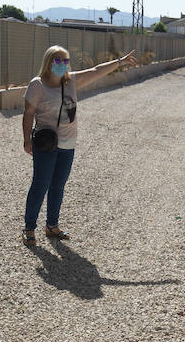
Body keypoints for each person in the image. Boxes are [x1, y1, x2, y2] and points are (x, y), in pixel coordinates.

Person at [20, 44, 135, 246]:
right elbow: (28, 113)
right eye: (58, 61)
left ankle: (52, 226)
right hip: (46, 144)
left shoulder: (71, 80)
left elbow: (96, 71)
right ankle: (29, 228)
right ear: (48, 63)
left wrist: (119, 62)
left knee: (58, 186)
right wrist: (26, 140)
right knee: (40, 185)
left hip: (68, 144)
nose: (63, 65)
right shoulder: (38, 85)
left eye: (66, 61)